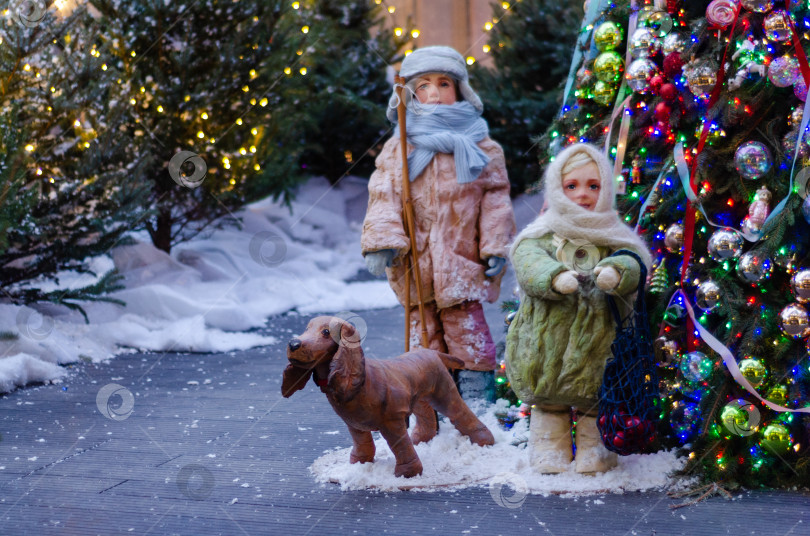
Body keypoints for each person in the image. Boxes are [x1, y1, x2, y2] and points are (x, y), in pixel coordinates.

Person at [361, 46, 516, 403]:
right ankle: (429, 405)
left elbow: (495, 199)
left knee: (469, 333)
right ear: (410, 94)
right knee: (423, 337)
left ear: (460, 90)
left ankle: (477, 400)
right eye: (424, 85)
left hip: (462, 263)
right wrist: (382, 241)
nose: (434, 93)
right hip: (414, 265)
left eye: (444, 83)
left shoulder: (482, 146)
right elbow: (384, 195)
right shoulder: (400, 147)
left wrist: (495, 246)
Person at [505, 143, 652, 474]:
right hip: (546, 342)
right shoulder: (543, 232)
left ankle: (595, 450)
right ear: (557, 188)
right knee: (549, 400)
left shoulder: (613, 233)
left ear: (606, 189)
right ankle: (549, 448)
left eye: (593, 185)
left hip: (598, 339)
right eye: (571, 186)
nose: (582, 194)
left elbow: (635, 260)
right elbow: (527, 260)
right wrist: (553, 277)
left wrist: (617, 271)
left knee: (595, 399)